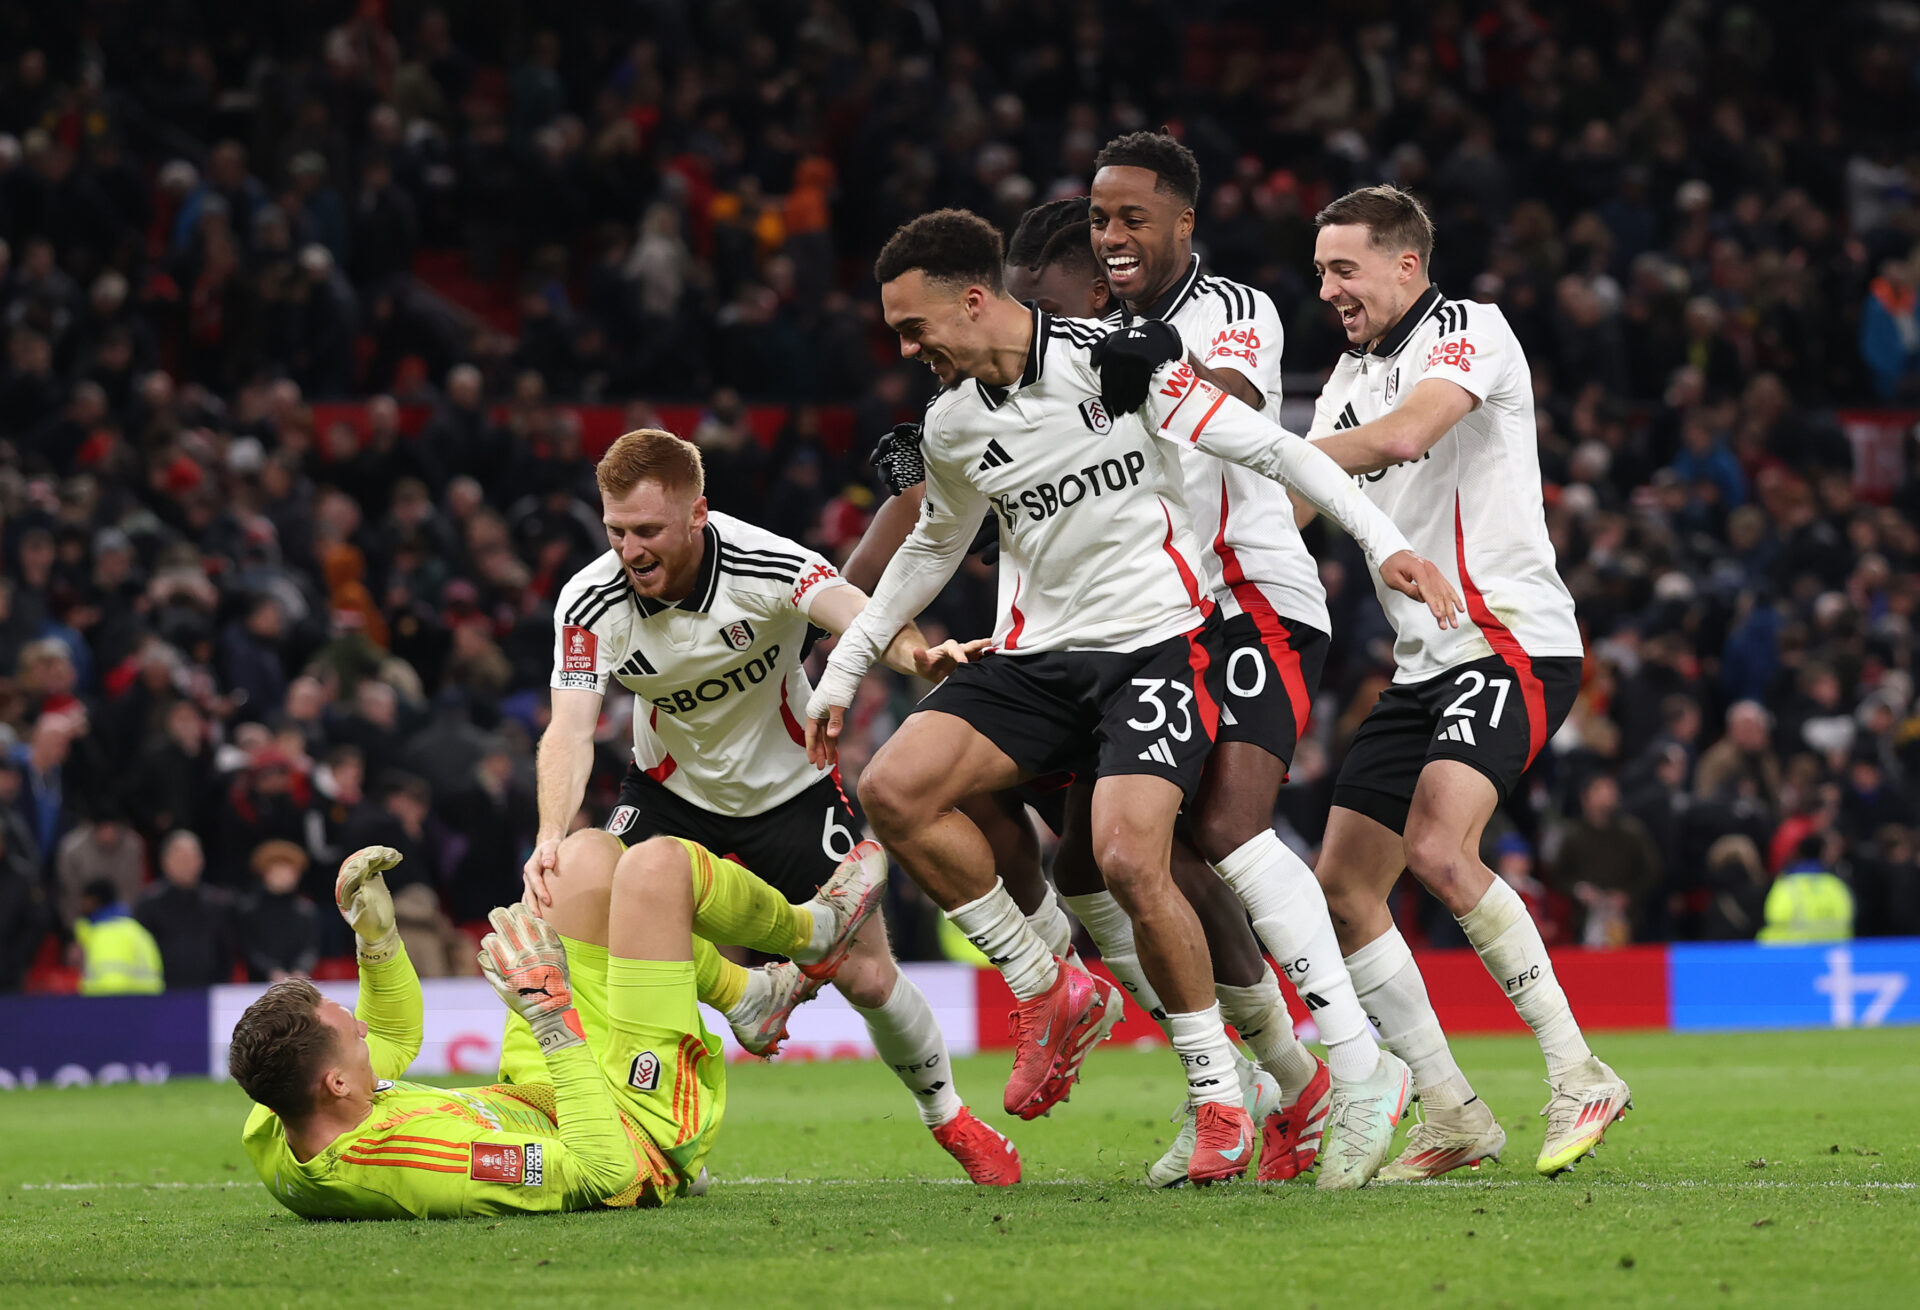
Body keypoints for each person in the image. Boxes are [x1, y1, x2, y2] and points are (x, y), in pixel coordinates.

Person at [808, 208, 1454, 1186]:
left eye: (913, 326)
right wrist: (845, 671)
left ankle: (1236, 1095)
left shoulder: (1117, 362)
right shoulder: (952, 423)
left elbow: (1270, 449)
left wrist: (1382, 541)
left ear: (976, 300)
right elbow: (937, 544)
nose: (906, 349)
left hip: (1155, 647)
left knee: (1125, 856)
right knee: (897, 786)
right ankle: (1047, 981)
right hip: (1038, 659)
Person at [1134, 184, 1630, 1180]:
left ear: (1407, 263)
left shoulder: (1471, 333)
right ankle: (1450, 1106)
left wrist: (1273, 451)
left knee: (1445, 848)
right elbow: (1300, 505)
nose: (1329, 290)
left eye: (1344, 268)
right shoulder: (1348, 382)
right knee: (1346, 886)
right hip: (1420, 664)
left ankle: (1579, 1070)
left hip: (1509, 639)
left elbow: (1408, 434)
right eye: (1319, 272)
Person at [518, 428, 1019, 1185]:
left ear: (697, 515)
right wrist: (549, 834)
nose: (631, 549)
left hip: (792, 792)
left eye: (648, 530)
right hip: (668, 793)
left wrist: (918, 657)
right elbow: (569, 727)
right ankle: (652, 1127)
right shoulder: (590, 600)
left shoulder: (766, 563)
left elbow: (860, 613)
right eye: (616, 531)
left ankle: (947, 1115)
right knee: (588, 896)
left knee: (868, 978)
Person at [1071, 130, 1392, 1187]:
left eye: (1132, 217)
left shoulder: (1232, 307)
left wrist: (1153, 362)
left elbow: (1243, 405)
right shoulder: (1099, 330)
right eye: (1100, 217)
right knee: (1145, 855)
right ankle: (1258, 1079)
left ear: (1182, 224)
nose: (1112, 235)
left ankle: (1358, 1069)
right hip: (1158, 615)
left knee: (1223, 827)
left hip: (1252, 594)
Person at [231, 840, 881, 1219]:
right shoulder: (426, 1163)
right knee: (656, 870)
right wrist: (548, 1013)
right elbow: (601, 1170)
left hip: (546, 1089)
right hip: (635, 1128)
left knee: (583, 858)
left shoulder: (278, 1114)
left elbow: (390, 1043)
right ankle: (812, 931)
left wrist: (377, 939)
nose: (366, 1028)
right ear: (336, 1081)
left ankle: (750, 998)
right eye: (353, 1035)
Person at [135, 831, 239, 989]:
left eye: (191, 858)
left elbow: (227, 952)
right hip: (162, 995)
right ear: (165, 862)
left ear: (201, 861)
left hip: (209, 995)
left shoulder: (218, 904)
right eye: (180, 859)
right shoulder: (148, 905)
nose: (186, 865)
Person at [72, 877, 163, 995]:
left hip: (125, 1009)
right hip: (146, 1007)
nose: (81, 904)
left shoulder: (109, 933)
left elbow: (112, 989)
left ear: (94, 900)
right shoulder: (131, 928)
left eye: (84, 899)